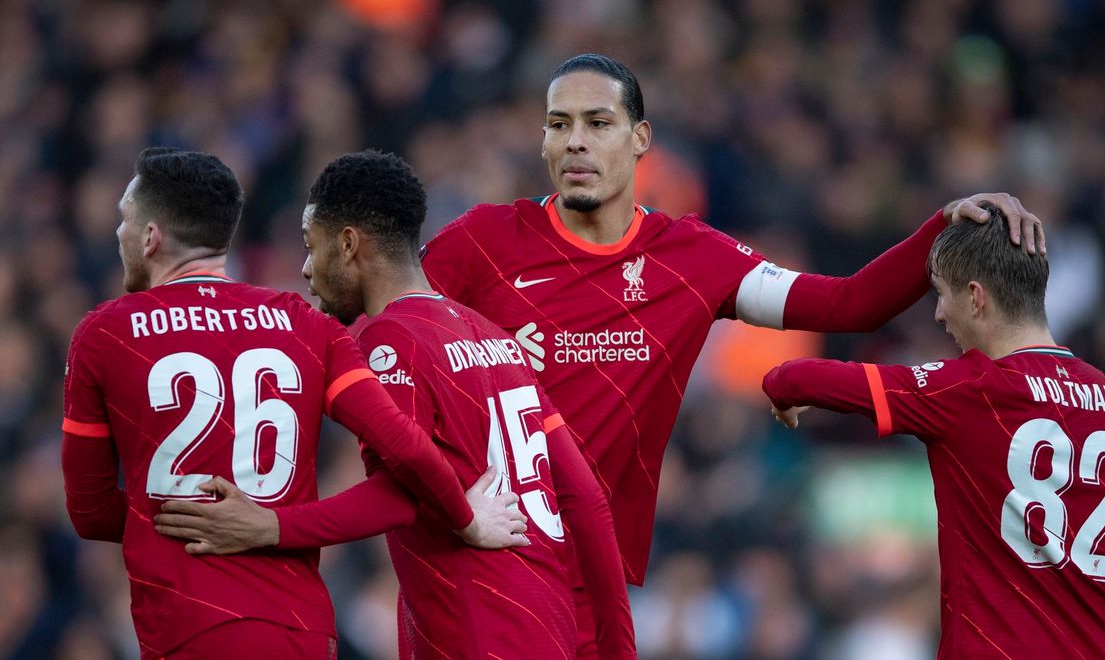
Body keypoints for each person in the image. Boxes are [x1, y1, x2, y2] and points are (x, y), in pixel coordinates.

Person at [416, 51, 1046, 654]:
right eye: (559, 125)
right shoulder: (480, 243)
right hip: (483, 566)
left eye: (597, 123)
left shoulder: (692, 259)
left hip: (594, 583)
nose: (575, 141)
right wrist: (448, 493)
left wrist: (941, 228)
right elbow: (383, 346)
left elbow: (846, 305)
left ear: (640, 139)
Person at [154, 151, 637, 659]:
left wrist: (270, 527)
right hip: (546, 625)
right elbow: (587, 498)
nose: (304, 268)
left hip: (479, 628)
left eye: (310, 247)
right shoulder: (497, 341)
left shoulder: (390, 340)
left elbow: (400, 494)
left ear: (346, 245)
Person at [61, 148, 526, 659]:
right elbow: (407, 447)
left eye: (124, 220)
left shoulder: (105, 334)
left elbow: (89, 513)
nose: (118, 234)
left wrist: (169, 520)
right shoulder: (305, 324)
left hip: (191, 626)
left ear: (150, 237)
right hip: (302, 628)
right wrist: (469, 519)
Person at [762, 205, 1105, 657]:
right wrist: (1072, 602)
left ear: (975, 296)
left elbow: (793, 377)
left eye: (942, 295)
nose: (939, 315)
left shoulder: (968, 390)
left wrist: (784, 394)